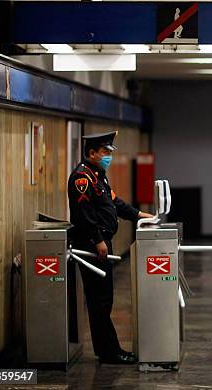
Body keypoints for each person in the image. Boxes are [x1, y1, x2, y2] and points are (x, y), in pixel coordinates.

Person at [68, 131, 153, 365]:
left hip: (101, 243)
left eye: (109, 152)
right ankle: (109, 352)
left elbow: (115, 203)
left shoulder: (98, 176)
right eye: (105, 152)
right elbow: (83, 215)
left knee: (103, 300)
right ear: (92, 153)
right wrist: (97, 240)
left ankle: (106, 349)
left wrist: (139, 215)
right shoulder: (82, 179)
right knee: (100, 301)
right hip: (92, 246)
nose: (108, 156)